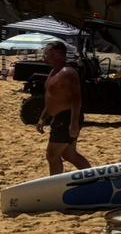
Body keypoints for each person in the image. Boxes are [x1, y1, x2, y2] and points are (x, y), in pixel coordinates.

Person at [36, 40, 90, 174]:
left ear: (56, 53)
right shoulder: (53, 72)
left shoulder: (68, 72)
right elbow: (50, 98)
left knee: (52, 155)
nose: (44, 55)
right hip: (58, 118)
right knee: (69, 155)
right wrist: (43, 118)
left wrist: (74, 122)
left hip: (66, 118)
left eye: (47, 52)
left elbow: (76, 99)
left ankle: (56, 189)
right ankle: (92, 178)